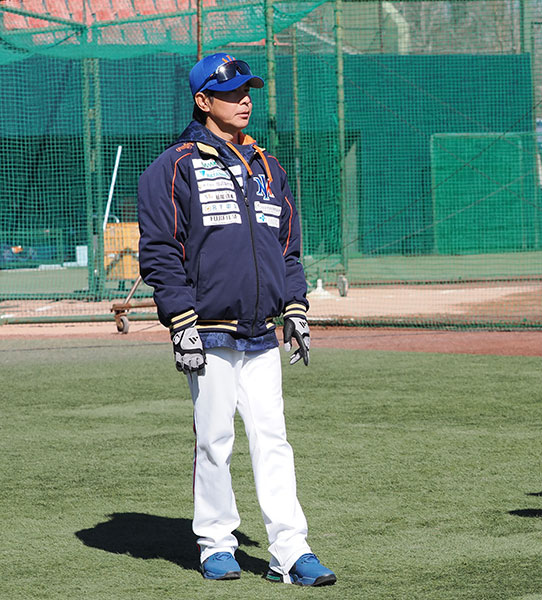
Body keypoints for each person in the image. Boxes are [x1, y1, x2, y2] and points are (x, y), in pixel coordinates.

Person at [137, 53, 337, 585]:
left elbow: (287, 250)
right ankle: (215, 543)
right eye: (231, 93)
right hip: (207, 331)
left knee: (273, 438)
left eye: (248, 90)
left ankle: (290, 551)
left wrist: (294, 306)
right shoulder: (173, 166)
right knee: (214, 439)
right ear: (203, 102)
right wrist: (180, 320)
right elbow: (160, 251)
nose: (245, 99)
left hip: (261, 334)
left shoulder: (270, 169)